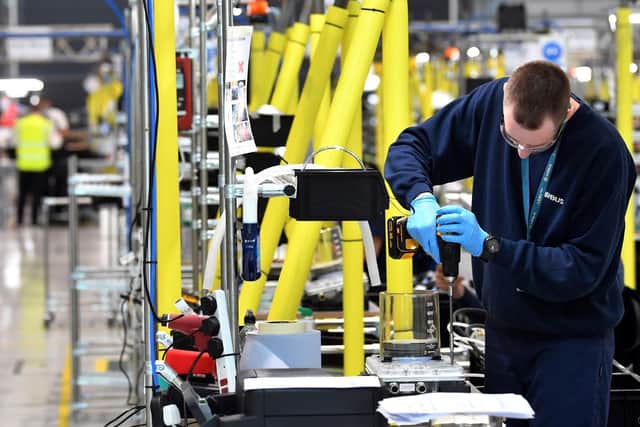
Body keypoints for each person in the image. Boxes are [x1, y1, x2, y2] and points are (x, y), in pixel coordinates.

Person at [384, 60, 635, 427]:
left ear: (565, 113)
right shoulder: (489, 104)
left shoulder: (604, 154)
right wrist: (420, 198)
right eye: (511, 138)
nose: (519, 152)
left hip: (571, 342)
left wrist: (490, 246)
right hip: (503, 335)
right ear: (505, 100)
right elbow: (412, 146)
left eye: (536, 146)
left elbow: (581, 269)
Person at [14, 101, 53, 226]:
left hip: (23, 164)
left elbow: (13, 141)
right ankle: (34, 220)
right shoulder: (46, 124)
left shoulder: (20, 123)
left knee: (22, 194)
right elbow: (54, 143)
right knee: (37, 194)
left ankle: (19, 219)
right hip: (40, 165)